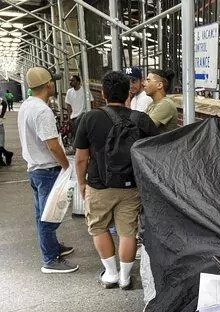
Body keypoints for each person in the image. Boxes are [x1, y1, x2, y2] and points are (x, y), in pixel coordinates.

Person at [74, 71, 158, 289]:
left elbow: (81, 158)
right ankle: (126, 278)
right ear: (127, 93)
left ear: (102, 92)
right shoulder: (141, 119)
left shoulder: (90, 118)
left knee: (99, 227)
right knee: (127, 231)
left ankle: (110, 274)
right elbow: (155, 154)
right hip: (131, 187)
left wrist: (81, 183)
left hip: (98, 184)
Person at [17, 67, 78, 273]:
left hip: (35, 169)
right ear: (48, 85)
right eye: (53, 81)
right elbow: (52, 145)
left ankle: (52, 247)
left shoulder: (27, 105)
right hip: (46, 170)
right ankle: (50, 259)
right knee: (49, 216)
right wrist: (66, 166)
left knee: (41, 214)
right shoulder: (42, 111)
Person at [143, 69, 178, 133]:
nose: (144, 84)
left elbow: (144, 128)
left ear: (159, 85)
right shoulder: (153, 103)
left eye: (148, 81)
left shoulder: (166, 104)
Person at [65, 75, 93, 141]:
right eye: (70, 80)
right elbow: (68, 105)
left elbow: (91, 102)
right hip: (73, 118)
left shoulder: (85, 90)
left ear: (78, 82)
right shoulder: (69, 92)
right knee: (76, 136)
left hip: (83, 117)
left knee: (83, 136)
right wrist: (69, 117)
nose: (70, 82)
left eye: (72, 80)